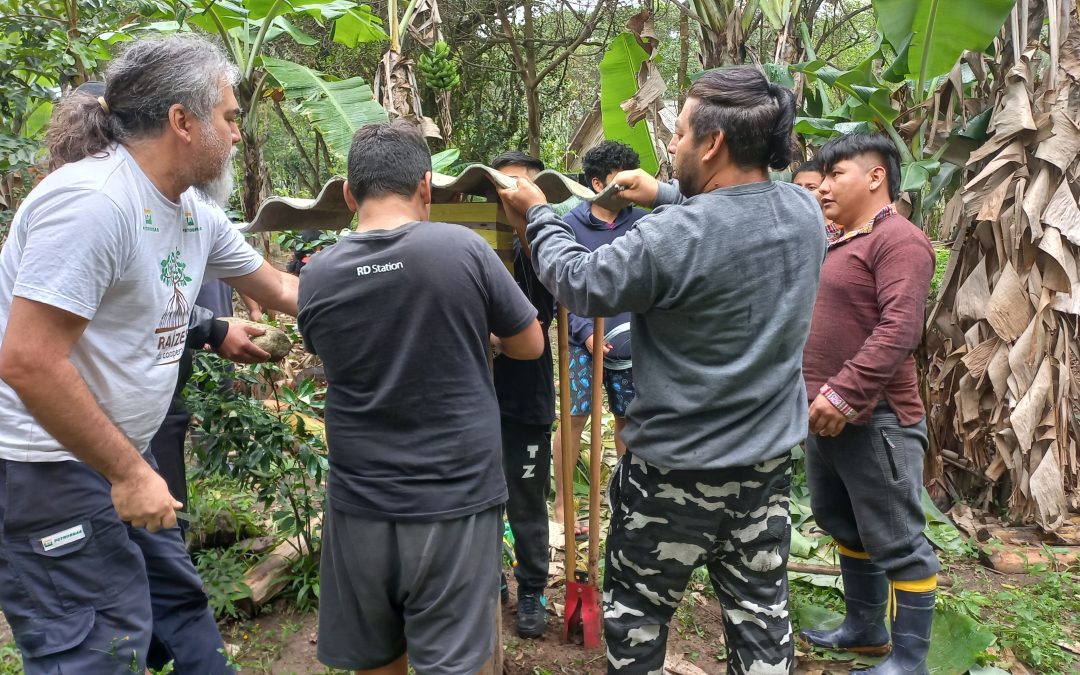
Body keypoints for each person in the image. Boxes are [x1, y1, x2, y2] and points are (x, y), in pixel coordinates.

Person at [499, 66, 825, 675]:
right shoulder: (804, 214)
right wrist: (663, 192)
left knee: (637, 628)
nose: (670, 146)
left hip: (673, 478)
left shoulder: (674, 236)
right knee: (761, 627)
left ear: (712, 144)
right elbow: (733, 215)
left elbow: (582, 280)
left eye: (677, 133)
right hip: (763, 475)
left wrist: (540, 214)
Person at [0, 35, 298, 674]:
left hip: (120, 454)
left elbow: (280, 290)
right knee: (98, 650)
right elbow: (26, 359)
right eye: (229, 117)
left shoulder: (191, 209)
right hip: (49, 466)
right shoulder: (92, 203)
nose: (238, 135)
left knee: (180, 611)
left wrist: (394, 272)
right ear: (182, 121)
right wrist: (130, 475)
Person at [297, 121, 543, 675]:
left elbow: (334, 347)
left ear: (348, 194)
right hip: (453, 499)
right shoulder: (461, 249)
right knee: (457, 660)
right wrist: (487, 336)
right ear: (426, 187)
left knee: (376, 658)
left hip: (360, 500)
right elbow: (531, 344)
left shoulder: (318, 274)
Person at [798, 133, 938, 675]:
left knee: (899, 541)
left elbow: (900, 328)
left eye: (836, 175)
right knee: (844, 523)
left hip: (874, 418)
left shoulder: (899, 241)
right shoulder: (838, 239)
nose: (824, 186)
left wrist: (844, 392)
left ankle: (908, 661)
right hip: (826, 417)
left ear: (876, 176)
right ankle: (865, 627)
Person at [551, 140, 646, 537]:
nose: (631, 188)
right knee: (575, 418)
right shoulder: (568, 226)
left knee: (628, 419)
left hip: (632, 343)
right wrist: (586, 332)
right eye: (620, 180)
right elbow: (561, 288)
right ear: (596, 183)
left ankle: (625, 503)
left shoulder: (643, 223)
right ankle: (562, 504)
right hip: (581, 342)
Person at [490, 150, 556, 638]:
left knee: (527, 498)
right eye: (504, 187)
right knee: (477, 493)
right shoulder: (472, 245)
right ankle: (489, 578)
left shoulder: (548, 250)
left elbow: (549, 309)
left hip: (526, 397)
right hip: (470, 395)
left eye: (523, 189)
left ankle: (533, 586)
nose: (512, 197)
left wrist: (529, 225)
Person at [792, 158, 842, 241]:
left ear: (824, 189)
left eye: (811, 188)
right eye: (797, 187)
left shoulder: (842, 231)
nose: (802, 192)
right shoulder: (787, 228)